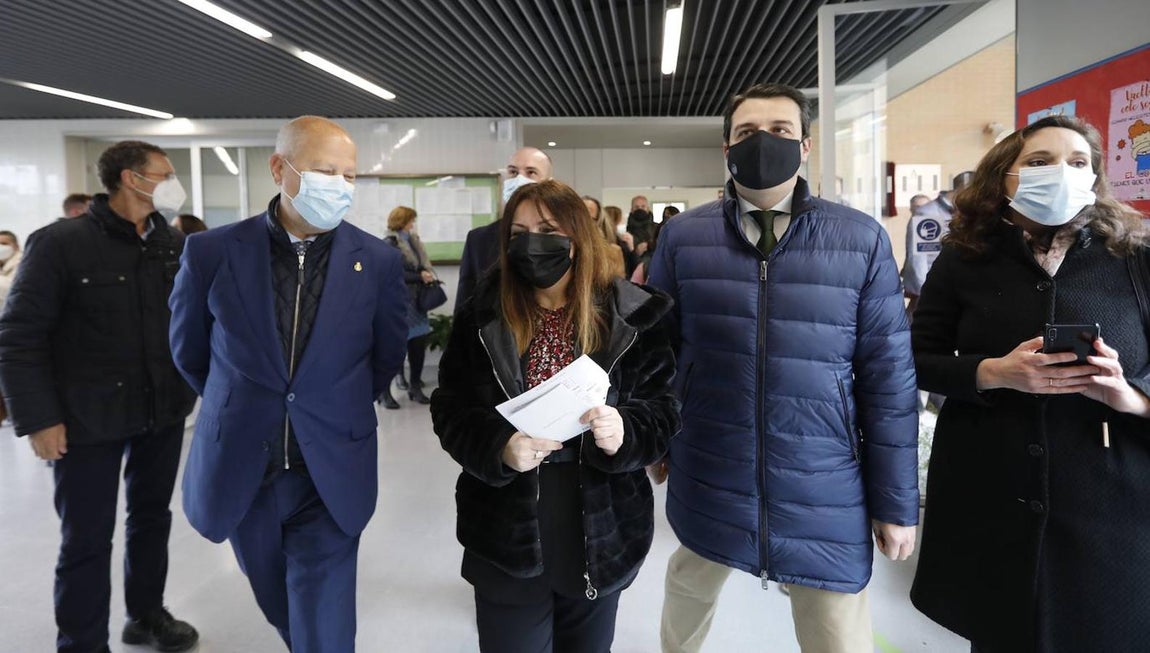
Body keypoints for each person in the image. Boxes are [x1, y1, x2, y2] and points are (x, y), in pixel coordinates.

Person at [647, 82, 919, 653]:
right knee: (687, 592)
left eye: (780, 131)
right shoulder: (682, 237)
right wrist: (658, 440)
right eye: (747, 132)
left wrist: (896, 502)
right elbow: (659, 352)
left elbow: (888, 379)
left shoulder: (859, 239)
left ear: (806, 145)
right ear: (726, 147)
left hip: (823, 477)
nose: (763, 142)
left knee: (835, 628)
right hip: (711, 463)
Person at [910, 115, 1150, 653]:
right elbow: (915, 357)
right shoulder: (965, 257)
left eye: (1077, 162)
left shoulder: (1135, 257)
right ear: (1006, 177)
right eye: (1039, 162)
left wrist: (1129, 393)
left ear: (1095, 177)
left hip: (1111, 506)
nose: (1060, 173)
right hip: (992, 493)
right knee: (1004, 634)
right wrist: (991, 372)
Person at [169, 116, 408, 652]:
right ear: (281, 169)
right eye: (325, 170)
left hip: (328, 466)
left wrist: (328, 402)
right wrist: (243, 402)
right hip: (244, 466)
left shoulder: (377, 262)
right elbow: (190, 351)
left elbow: (384, 355)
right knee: (278, 599)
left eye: (349, 175)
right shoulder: (212, 253)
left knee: (323, 620)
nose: (340, 185)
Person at [430, 179, 680, 653]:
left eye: (547, 228)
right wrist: (498, 446)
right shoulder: (482, 314)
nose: (532, 242)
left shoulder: (630, 316)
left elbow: (664, 409)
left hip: (602, 528)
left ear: (578, 237)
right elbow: (450, 407)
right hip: (506, 528)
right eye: (518, 231)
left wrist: (625, 430)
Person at [0, 140, 198, 653]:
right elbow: (20, 335)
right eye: (166, 173)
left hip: (161, 410)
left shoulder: (171, 245)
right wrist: (38, 419)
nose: (174, 182)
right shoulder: (60, 244)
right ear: (132, 179)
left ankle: (146, 615)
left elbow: (193, 326)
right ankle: (82, 643)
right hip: (86, 418)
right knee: (87, 538)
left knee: (152, 519)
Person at [456, 147, 553, 313]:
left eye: (531, 172)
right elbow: (466, 301)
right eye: (513, 172)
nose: (519, 179)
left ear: (549, 183)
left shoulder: (558, 236)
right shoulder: (479, 239)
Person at [382, 205, 436, 408]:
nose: (413, 224)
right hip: (399, 303)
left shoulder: (413, 240)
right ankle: (385, 392)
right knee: (394, 349)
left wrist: (425, 272)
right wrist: (419, 276)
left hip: (418, 302)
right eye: (411, 220)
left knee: (418, 346)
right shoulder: (390, 242)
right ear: (402, 221)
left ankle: (415, 387)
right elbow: (392, 273)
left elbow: (419, 264)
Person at [902, 173, 973, 319]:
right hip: (931, 300)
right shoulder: (928, 215)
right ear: (964, 190)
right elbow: (919, 263)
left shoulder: (967, 212)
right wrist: (930, 300)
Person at [582, 195, 626, 277]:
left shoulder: (613, 252)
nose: (583, 222)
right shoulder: (561, 250)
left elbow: (619, 286)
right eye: (580, 217)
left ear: (598, 222)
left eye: (590, 219)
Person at [604, 204, 638, 275]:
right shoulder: (619, 242)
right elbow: (632, 265)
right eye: (621, 218)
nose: (623, 220)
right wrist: (631, 249)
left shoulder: (621, 238)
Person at [0, 230, 23, 310]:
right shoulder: (3, 265)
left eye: (4, 244)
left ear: (16, 246)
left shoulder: (23, 263)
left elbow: (13, 289)